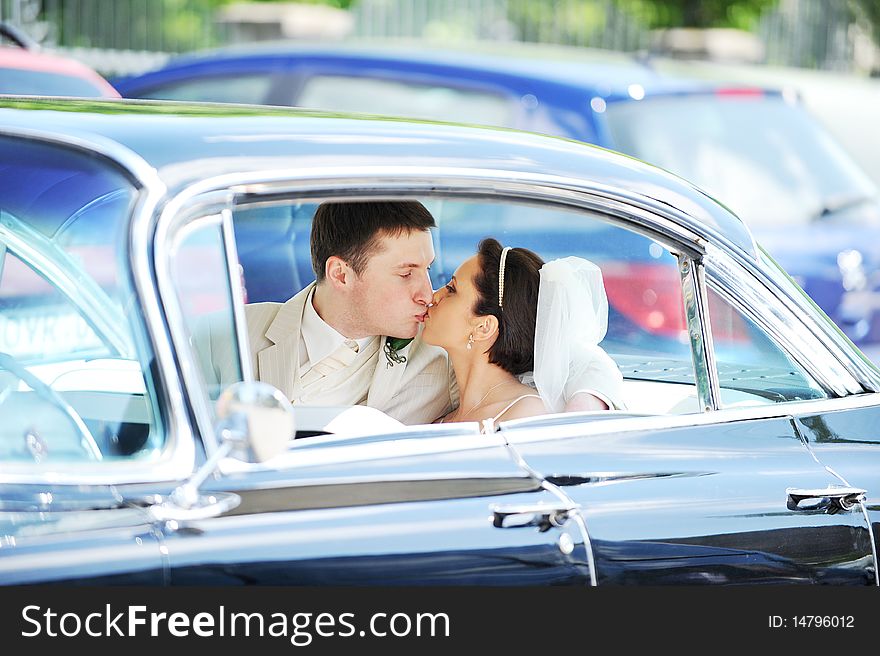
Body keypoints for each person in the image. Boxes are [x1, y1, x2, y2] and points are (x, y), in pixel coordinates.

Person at [211, 199, 621, 425]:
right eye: (406, 273)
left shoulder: (443, 361)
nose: (427, 293)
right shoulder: (230, 333)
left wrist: (576, 423)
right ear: (340, 274)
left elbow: (573, 354)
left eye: (429, 271)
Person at [422, 238, 624, 428]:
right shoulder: (441, 417)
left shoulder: (528, 416)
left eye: (451, 289)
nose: (434, 295)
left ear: (484, 327)